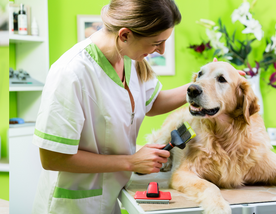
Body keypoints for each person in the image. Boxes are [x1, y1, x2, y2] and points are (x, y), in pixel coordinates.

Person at [32, 0, 188, 213]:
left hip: (111, 197)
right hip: (73, 204)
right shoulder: (71, 73)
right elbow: (52, 158)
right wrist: (131, 162)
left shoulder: (131, 59)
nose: (160, 51)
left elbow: (152, 103)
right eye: (156, 42)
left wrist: (201, 87)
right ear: (125, 35)